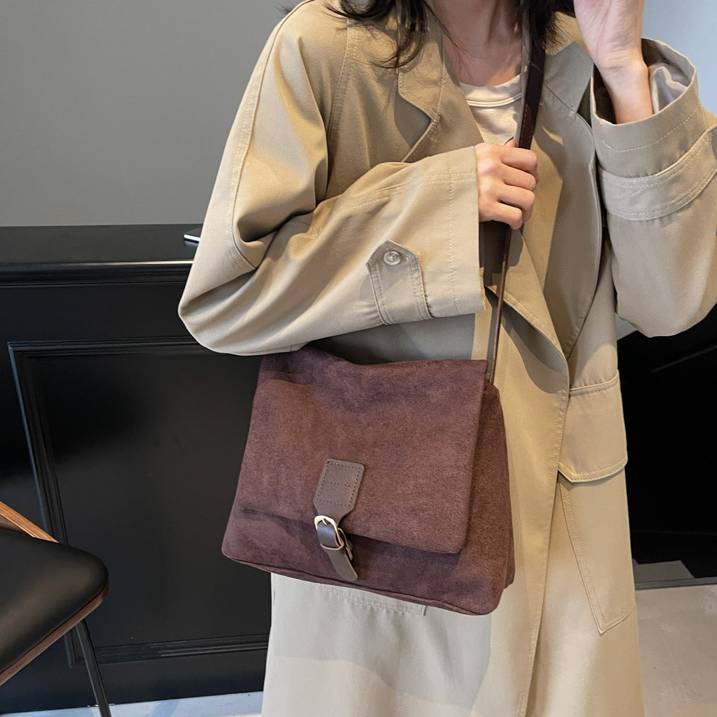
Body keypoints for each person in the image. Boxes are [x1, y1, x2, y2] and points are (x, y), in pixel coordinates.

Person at [177, 0, 717, 714]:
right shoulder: (324, 46)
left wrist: (622, 67)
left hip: (561, 514)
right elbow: (228, 297)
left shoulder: (583, 55)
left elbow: (672, 302)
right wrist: (437, 206)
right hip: (383, 525)